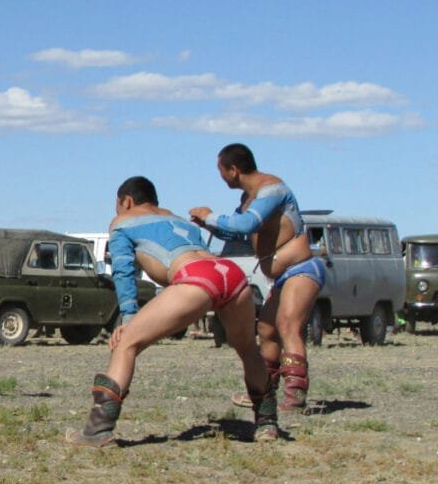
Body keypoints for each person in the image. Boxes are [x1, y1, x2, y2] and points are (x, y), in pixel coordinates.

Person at [65, 176, 278, 447]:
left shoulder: (122, 222)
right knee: (248, 348)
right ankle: (268, 424)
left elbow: (123, 272)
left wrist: (128, 319)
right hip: (230, 273)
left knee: (127, 344)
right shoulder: (177, 218)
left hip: (195, 279)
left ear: (126, 201)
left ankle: (97, 432)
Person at [190, 143, 325, 412]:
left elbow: (246, 224)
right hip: (283, 276)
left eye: (221, 170)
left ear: (233, 169)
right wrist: (208, 225)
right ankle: (264, 391)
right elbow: (238, 233)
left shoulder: (272, 190)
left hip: (301, 269)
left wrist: (211, 215)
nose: (220, 177)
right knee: (266, 329)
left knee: (287, 326)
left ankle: (295, 394)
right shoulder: (250, 199)